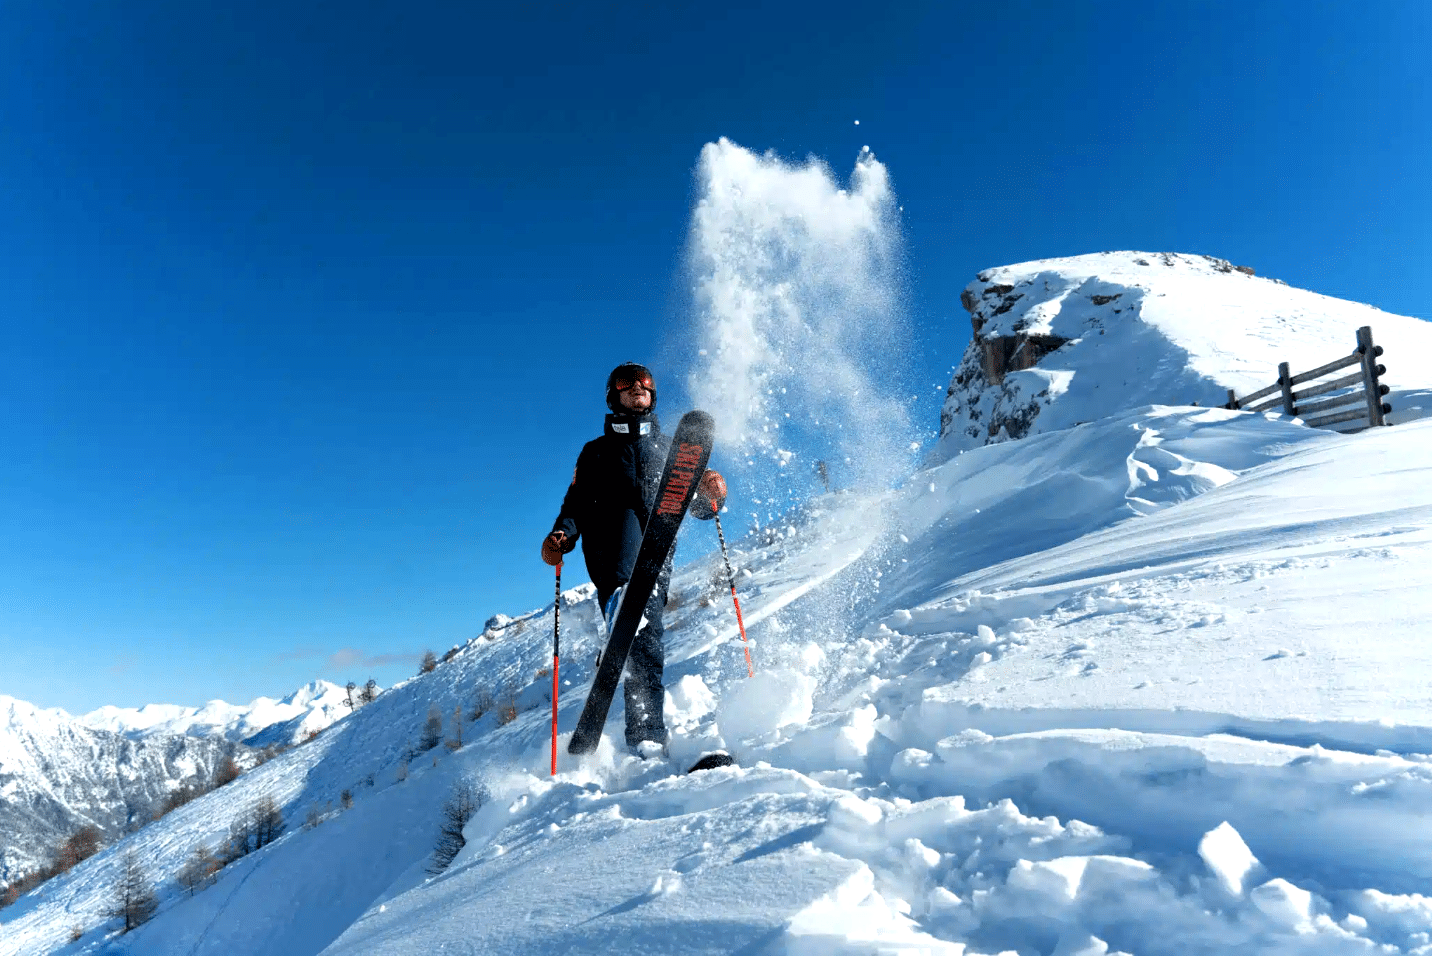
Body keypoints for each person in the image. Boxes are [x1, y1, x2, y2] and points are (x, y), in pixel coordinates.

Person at [541, 362, 726, 753]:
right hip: (611, 548)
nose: (638, 387)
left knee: (648, 639)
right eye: (627, 383)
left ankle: (647, 738)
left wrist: (711, 496)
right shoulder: (596, 452)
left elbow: (694, 507)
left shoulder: (670, 450)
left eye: (646, 383)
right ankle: (619, 605)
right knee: (625, 537)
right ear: (614, 395)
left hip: (657, 559)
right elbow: (575, 505)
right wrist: (562, 535)